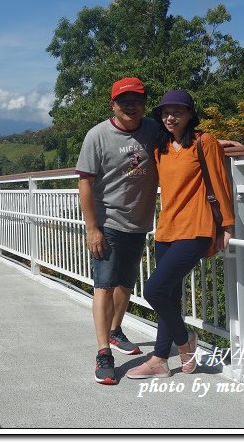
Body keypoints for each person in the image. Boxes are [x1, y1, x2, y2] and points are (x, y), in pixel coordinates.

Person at [126, 88, 235, 379]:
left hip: (196, 228)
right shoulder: (160, 149)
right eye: (165, 112)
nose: (170, 117)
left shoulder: (204, 142)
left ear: (189, 115)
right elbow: (134, 165)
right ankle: (160, 360)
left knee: (154, 290)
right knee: (169, 296)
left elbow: (221, 183)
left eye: (177, 112)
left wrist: (226, 225)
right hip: (166, 229)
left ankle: (185, 344)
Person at [75, 77, 160, 385]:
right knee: (104, 286)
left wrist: (214, 145)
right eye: (124, 101)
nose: (130, 106)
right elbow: (84, 184)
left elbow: (184, 139)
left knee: (126, 283)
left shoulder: (153, 129)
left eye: (137, 99)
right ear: (112, 104)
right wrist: (92, 228)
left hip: (138, 223)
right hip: (107, 222)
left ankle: (115, 331)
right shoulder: (97, 136)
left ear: (144, 103)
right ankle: (103, 354)